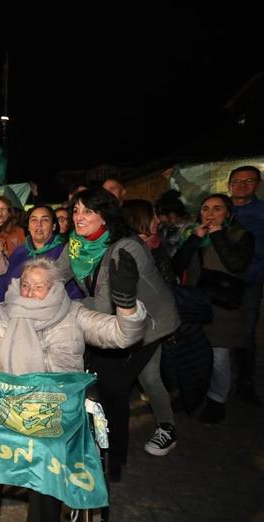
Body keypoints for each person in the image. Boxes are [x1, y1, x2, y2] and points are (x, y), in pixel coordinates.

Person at [0, 254, 147, 522]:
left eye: (38, 286)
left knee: (47, 450)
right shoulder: (5, 311)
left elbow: (123, 335)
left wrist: (126, 304)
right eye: (26, 284)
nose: (29, 291)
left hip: (56, 409)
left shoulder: (74, 314)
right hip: (6, 405)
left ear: (55, 288)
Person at [58, 187, 179, 479]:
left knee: (114, 386)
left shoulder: (126, 248)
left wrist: (59, 307)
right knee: (148, 377)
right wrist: (31, 289)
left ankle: (115, 461)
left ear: (105, 215)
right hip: (116, 324)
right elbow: (55, 274)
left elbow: (104, 304)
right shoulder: (76, 243)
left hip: (150, 324)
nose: (78, 217)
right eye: (76, 210)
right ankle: (162, 425)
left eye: (88, 211)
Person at [172, 193, 254, 423]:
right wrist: (193, 240)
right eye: (206, 209)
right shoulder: (194, 235)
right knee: (192, 352)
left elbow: (236, 264)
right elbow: (177, 266)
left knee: (219, 355)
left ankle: (216, 399)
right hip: (194, 303)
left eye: (217, 209)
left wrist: (218, 235)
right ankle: (191, 393)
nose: (210, 214)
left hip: (223, 304)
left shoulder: (242, 236)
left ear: (228, 212)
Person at [121, 199, 178, 455]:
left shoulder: (148, 247)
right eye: (153, 215)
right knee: (144, 377)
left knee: (149, 376)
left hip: (153, 323)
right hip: (135, 323)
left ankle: (167, 428)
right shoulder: (128, 245)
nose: (158, 219)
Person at [227, 165, 264, 406]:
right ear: (229, 185)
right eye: (237, 181)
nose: (242, 185)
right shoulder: (219, 208)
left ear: (257, 184)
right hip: (215, 280)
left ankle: (244, 382)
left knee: (245, 333)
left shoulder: (262, 212)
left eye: (249, 180)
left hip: (248, 280)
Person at [0, 205, 69, 303]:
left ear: (54, 226)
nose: (39, 224)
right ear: (28, 227)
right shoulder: (19, 252)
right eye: (34, 220)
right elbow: (4, 284)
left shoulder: (63, 253)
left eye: (45, 220)